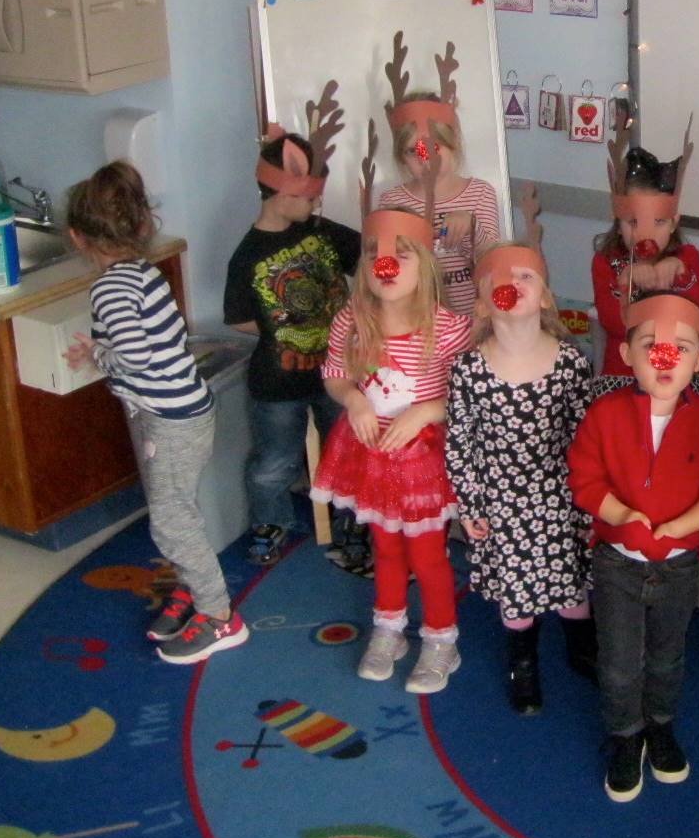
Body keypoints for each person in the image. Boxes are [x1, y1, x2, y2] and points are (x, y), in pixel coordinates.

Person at [64, 162, 244, 664]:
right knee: (178, 508)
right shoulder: (140, 274)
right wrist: (101, 351)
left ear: (78, 238)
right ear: (141, 225)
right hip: (178, 410)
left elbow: (135, 355)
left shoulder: (111, 287)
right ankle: (192, 587)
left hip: (169, 420)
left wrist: (99, 356)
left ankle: (219, 616)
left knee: (169, 523)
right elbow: (140, 343)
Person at [568, 289, 699, 802]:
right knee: (619, 660)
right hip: (617, 561)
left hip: (679, 564)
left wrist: (680, 527)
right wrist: (621, 515)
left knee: (668, 654)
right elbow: (585, 477)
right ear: (627, 353)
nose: (666, 358)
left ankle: (659, 725)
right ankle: (625, 735)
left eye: (682, 347)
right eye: (651, 345)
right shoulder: (604, 413)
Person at [312, 145, 472, 695]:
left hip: (423, 460)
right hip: (372, 455)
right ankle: (389, 631)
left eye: (402, 254)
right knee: (384, 548)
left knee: (428, 555)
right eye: (379, 255)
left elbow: (470, 395)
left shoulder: (448, 328)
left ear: (424, 265)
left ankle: (440, 641)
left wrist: (431, 407)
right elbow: (333, 373)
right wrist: (353, 399)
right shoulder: (352, 321)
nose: (388, 265)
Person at [447, 216, 594, 717]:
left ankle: (582, 645)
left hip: (560, 495)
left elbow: (586, 437)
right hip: (502, 501)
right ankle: (523, 662)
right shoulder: (469, 370)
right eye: (500, 281)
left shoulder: (572, 362)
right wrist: (469, 504)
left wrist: (590, 498)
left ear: (547, 296)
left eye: (526, 276)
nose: (514, 285)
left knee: (570, 580)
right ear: (484, 303)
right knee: (517, 590)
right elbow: (459, 443)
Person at [224, 107, 362, 570]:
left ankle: (352, 527)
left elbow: (369, 252)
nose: (315, 207)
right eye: (308, 198)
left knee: (344, 453)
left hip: (336, 372)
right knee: (274, 463)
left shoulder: (320, 233)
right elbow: (239, 319)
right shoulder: (247, 256)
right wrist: (283, 326)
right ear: (283, 192)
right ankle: (271, 523)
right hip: (277, 384)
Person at [378, 31, 502, 316]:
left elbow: (492, 262)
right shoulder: (392, 201)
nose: (426, 160)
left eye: (434, 148)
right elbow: (387, 268)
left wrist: (471, 226)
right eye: (413, 151)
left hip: (472, 324)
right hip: (419, 327)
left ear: (453, 143)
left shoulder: (480, 194)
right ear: (401, 157)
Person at [593, 120, 699, 378]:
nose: (646, 233)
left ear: (674, 223)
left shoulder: (687, 259)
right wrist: (627, 282)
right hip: (622, 377)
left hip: (673, 378)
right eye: (633, 222)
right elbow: (615, 325)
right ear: (618, 223)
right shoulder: (605, 262)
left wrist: (678, 273)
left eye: (659, 222)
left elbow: (694, 321)